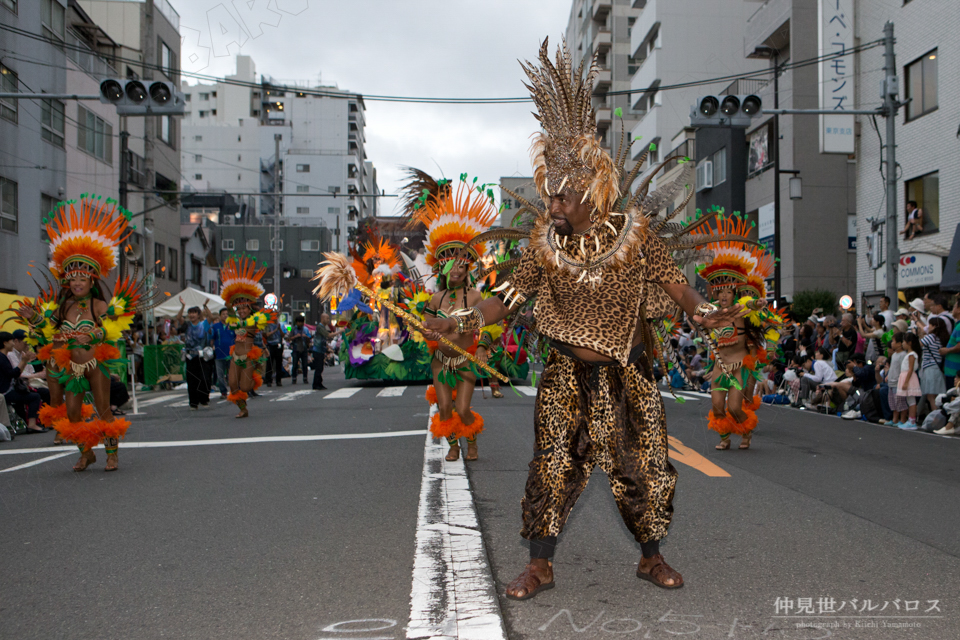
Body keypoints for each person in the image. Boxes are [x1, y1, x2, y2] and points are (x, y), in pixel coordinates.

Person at [419, 40, 752, 596]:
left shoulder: (636, 234)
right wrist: (461, 322)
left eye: (563, 198)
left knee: (644, 466)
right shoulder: (544, 244)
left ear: (593, 190)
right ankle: (540, 565)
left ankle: (650, 557)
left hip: (630, 370)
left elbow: (676, 286)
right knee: (550, 466)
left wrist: (707, 312)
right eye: (550, 197)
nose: (553, 207)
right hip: (565, 372)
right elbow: (507, 295)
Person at [10, 196, 157, 470]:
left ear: (92, 280)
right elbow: (48, 332)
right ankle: (86, 452)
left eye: (82, 278)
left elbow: (111, 331)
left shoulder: (99, 304)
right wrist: (35, 318)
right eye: (73, 278)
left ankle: (112, 453)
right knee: (73, 414)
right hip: (71, 369)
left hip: (95, 365)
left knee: (103, 410)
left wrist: (93, 335)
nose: (77, 282)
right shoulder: (63, 306)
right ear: (67, 281)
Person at [403, 168, 500, 463]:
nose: (455, 270)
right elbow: (427, 327)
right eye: (450, 266)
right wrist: (425, 332)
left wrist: (482, 347)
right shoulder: (435, 298)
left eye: (461, 266)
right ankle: (453, 444)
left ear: (467, 268)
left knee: (462, 409)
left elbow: (485, 324)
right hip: (441, 361)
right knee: (445, 410)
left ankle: (470, 441)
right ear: (441, 268)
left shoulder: (474, 297)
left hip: (465, 359)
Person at [694, 214, 779, 451]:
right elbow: (699, 320)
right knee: (718, 406)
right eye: (719, 292)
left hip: (741, 365)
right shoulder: (713, 315)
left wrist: (758, 306)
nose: (723, 296)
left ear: (735, 293)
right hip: (720, 365)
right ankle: (724, 437)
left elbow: (757, 312)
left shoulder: (741, 311)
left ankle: (746, 430)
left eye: (727, 292)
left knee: (734, 407)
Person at [220, 255, 273, 418]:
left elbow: (262, 324)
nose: (242, 311)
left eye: (245, 308)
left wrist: (263, 349)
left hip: (249, 355)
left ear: (250, 309)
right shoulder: (234, 320)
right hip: (235, 355)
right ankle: (243, 409)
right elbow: (229, 312)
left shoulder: (254, 321)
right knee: (233, 385)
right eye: (239, 308)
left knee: (244, 386)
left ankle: (256, 373)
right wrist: (230, 303)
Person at [0, 332, 44, 433]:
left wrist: (25, 361)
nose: (13, 344)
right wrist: (24, 361)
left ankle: (32, 422)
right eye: (11, 341)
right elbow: (13, 373)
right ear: (5, 343)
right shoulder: (1, 357)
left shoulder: (4, 356)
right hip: (5, 391)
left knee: (26, 397)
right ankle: (32, 424)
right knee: (35, 397)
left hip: (8, 389)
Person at [176, 299, 212, 410]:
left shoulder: (203, 325)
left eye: (194, 313)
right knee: (192, 380)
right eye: (190, 313)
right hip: (190, 356)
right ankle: (193, 403)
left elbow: (210, 317)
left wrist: (205, 306)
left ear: (198, 314)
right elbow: (178, 318)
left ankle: (204, 399)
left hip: (202, 356)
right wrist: (183, 306)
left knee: (205, 378)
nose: (191, 315)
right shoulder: (187, 325)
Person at [916, 316, 949, 411]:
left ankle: (936, 418)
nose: (927, 326)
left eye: (929, 324)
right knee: (936, 397)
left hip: (930, 368)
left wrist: (917, 333)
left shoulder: (931, 337)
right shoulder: (940, 337)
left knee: (931, 397)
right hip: (937, 369)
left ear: (934, 326)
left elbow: (918, 344)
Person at [896, 333, 923, 429]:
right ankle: (910, 420)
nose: (902, 343)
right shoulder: (909, 354)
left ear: (910, 343)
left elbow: (910, 369)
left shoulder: (912, 354)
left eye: (904, 341)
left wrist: (906, 382)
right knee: (909, 400)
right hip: (906, 376)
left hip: (909, 378)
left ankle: (912, 421)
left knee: (911, 401)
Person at [210, 308, 236, 399]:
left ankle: (234, 391)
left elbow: (238, 338)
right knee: (220, 376)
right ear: (220, 316)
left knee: (232, 375)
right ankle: (223, 392)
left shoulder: (233, 325)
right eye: (223, 314)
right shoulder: (216, 326)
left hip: (231, 355)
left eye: (227, 314)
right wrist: (210, 348)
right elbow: (212, 339)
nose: (225, 316)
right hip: (219, 355)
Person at [285, 315, 312, 384]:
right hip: (296, 348)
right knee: (295, 364)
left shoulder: (305, 329)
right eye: (299, 322)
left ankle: (305, 378)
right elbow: (288, 339)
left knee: (305, 364)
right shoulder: (293, 329)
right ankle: (294, 378)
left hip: (304, 348)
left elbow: (310, 337)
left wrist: (305, 336)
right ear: (297, 322)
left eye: (302, 322)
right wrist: (295, 336)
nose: (301, 324)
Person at [311, 313, 333, 390]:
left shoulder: (322, 327)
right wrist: (340, 332)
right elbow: (328, 335)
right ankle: (316, 384)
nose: (328, 320)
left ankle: (319, 383)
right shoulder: (320, 327)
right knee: (319, 368)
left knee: (320, 367)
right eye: (327, 318)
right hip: (317, 350)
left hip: (320, 350)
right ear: (323, 318)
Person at [263, 319, 285, 387]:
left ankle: (278, 380)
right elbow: (266, 335)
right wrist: (275, 330)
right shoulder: (267, 325)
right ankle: (269, 380)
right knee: (269, 363)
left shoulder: (281, 324)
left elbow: (283, 335)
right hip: (270, 345)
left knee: (279, 363)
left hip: (278, 345)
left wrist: (279, 329)